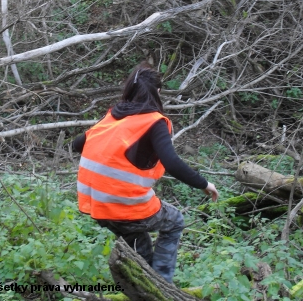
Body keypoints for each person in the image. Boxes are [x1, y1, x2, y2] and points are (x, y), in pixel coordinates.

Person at [72, 62, 219, 283]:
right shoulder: (154, 122)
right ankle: (162, 284)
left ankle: (148, 285)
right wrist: (204, 184)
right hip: (122, 204)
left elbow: (77, 144)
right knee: (175, 221)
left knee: (139, 247)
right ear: (157, 92)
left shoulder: (112, 117)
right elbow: (171, 162)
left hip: (95, 205)